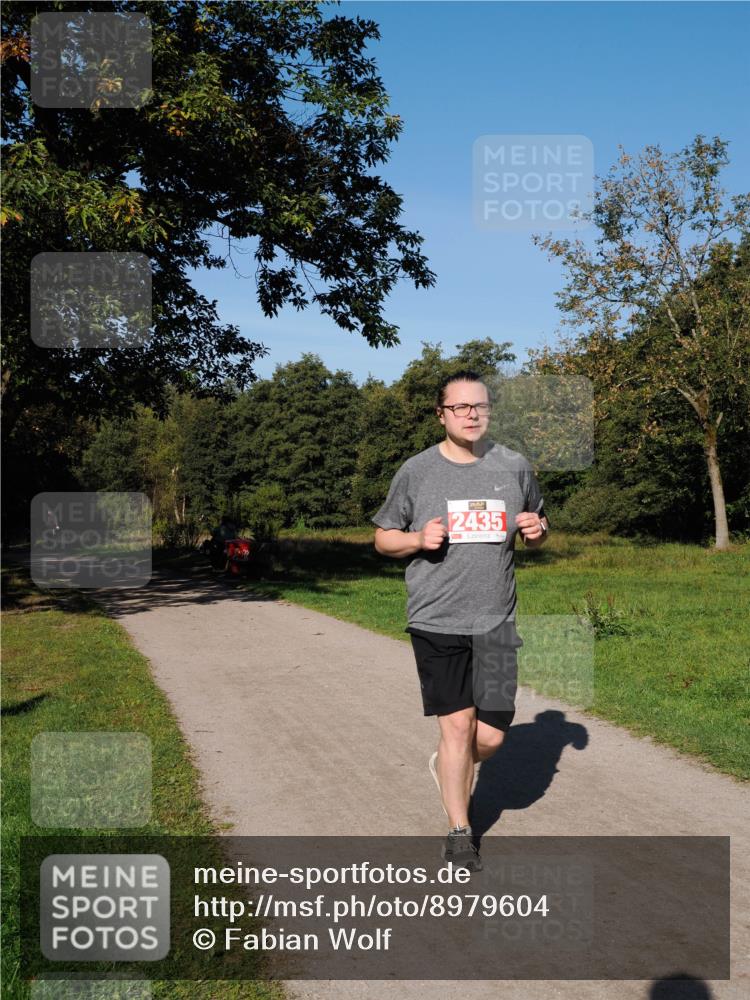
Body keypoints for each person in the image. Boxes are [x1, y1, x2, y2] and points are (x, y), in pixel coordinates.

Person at [372, 371, 549, 872]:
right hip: (437, 619)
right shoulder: (417, 471)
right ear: (441, 414)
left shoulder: (514, 466)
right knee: (457, 726)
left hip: (496, 620)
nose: (472, 415)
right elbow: (383, 537)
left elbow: (538, 521)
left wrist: (537, 530)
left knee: (488, 738)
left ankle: (450, 766)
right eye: (460, 407)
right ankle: (459, 831)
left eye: (481, 406)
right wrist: (415, 540)